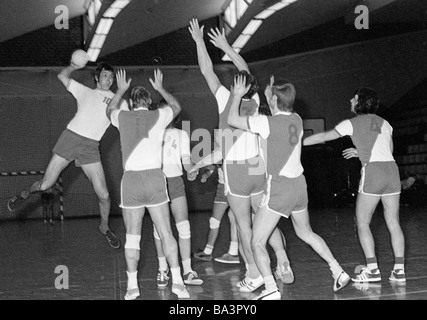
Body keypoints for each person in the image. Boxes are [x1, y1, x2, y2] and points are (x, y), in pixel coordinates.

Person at [189, 19, 292, 293]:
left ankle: (254, 273)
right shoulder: (255, 101)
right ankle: (282, 259)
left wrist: (200, 42)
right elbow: (245, 70)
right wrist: (226, 46)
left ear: (236, 86)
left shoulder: (226, 99)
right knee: (264, 220)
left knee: (244, 227)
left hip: (235, 171)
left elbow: (206, 70)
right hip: (258, 169)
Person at [228, 75, 350, 300]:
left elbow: (233, 119)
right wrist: (269, 95)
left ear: (274, 100)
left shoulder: (267, 123)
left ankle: (271, 289)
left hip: (280, 187)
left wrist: (236, 95)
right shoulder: (297, 119)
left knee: (256, 241)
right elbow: (277, 110)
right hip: (299, 186)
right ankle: (338, 271)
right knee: (306, 233)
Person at [7, 58, 127, 249]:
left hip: (90, 147)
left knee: (104, 195)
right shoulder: (85, 91)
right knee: (46, 184)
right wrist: (74, 66)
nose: (109, 79)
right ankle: (23, 194)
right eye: (105, 75)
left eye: (112, 76)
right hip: (70, 139)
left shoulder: (119, 101)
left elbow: (128, 123)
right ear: (97, 77)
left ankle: (104, 228)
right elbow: (62, 76)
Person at [304, 87, 406, 283]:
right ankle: (399, 270)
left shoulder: (351, 123)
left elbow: (325, 137)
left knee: (362, 222)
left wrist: (298, 143)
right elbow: (388, 151)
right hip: (392, 172)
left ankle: (373, 270)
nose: (351, 100)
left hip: (374, 173)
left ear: (360, 102)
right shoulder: (386, 123)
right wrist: (361, 152)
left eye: (354, 98)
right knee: (393, 222)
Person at [106, 69, 190, 300]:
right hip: (154, 179)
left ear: (132, 104)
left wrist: (121, 89)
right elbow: (176, 107)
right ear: (150, 103)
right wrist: (161, 88)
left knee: (133, 236)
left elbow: (109, 110)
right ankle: (179, 284)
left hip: (131, 181)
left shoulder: (123, 117)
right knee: (166, 232)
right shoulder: (159, 116)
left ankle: (132, 287)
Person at [151, 102, 203, 288]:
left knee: (184, 227)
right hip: (157, 183)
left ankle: (188, 270)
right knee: (160, 230)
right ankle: (162, 269)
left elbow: (187, 162)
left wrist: (193, 170)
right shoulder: (152, 131)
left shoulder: (182, 134)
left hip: (176, 183)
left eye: (171, 111)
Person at [193, 164, 241, 265]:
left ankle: (234, 253)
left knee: (234, 217)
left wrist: (195, 167)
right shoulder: (218, 151)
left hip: (235, 186)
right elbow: (212, 165)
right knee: (214, 221)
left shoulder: (232, 151)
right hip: (222, 187)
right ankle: (207, 252)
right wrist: (205, 175)